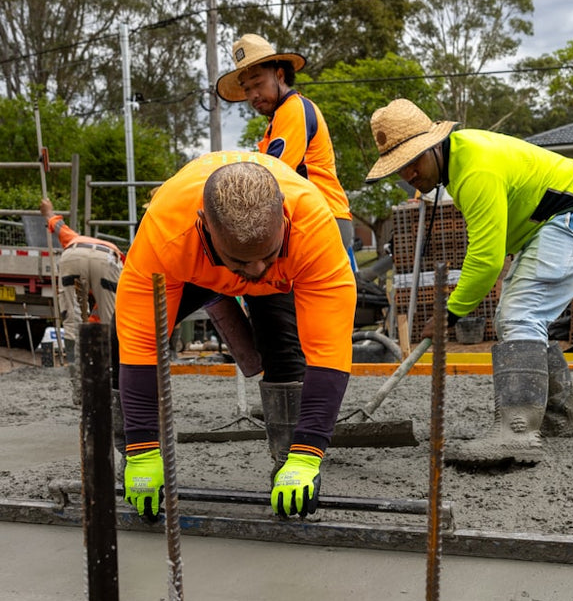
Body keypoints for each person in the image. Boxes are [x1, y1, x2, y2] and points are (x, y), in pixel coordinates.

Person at [365, 99, 573, 467]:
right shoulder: (463, 160)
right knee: (517, 317)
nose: (408, 173)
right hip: (560, 222)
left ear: (435, 145)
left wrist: (448, 314)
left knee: (521, 313)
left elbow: (486, 260)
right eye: (399, 167)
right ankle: (556, 419)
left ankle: (517, 434)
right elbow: (491, 253)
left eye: (413, 160)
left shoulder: (475, 170)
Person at [115, 150, 356, 520]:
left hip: (283, 273)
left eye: (267, 254)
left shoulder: (313, 227)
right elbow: (142, 345)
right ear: (204, 227)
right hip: (193, 269)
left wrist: (308, 454)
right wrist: (143, 447)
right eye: (243, 262)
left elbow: (328, 353)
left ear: (284, 219)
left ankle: (288, 466)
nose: (256, 270)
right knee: (113, 344)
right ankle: (135, 463)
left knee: (285, 356)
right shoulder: (166, 232)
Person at [215, 33, 354, 251]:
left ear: (279, 75)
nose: (253, 95)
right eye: (247, 88)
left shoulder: (293, 109)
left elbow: (272, 175)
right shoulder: (277, 119)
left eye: (258, 83)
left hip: (320, 218)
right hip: (314, 218)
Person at [40, 197, 125, 364]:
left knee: (71, 315)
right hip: (107, 259)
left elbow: (58, 226)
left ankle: (74, 365)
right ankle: (110, 366)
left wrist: (48, 212)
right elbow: (103, 310)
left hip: (73, 253)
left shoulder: (76, 238)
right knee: (112, 318)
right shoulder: (124, 263)